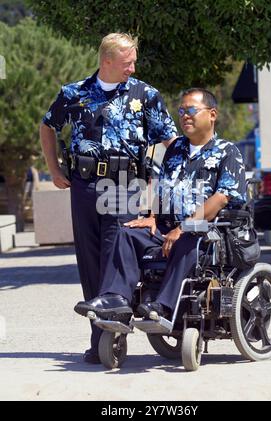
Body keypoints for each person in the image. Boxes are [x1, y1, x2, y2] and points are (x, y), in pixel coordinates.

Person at [40, 33, 177, 363]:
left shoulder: (146, 95)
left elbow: (171, 141)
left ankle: (111, 333)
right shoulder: (73, 94)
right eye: (128, 61)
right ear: (107, 62)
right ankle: (101, 335)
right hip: (84, 185)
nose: (133, 67)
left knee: (114, 255)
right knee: (89, 262)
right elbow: (47, 126)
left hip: (124, 186)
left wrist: (170, 184)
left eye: (134, 61)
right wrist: (54, 168)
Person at [74, 87, 247, 322]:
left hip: (205, 233)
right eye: (182, 110)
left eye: (192, 110)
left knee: (189, 239)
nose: (185, 115)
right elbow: (159, 184)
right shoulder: (175, 149)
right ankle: (116, 298)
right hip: (167, 228)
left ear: (212, 114)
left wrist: (183, 227)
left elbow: (221, 198)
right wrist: (152, 216)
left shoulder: (228, 152)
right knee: (127, 233)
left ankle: (164, 306)